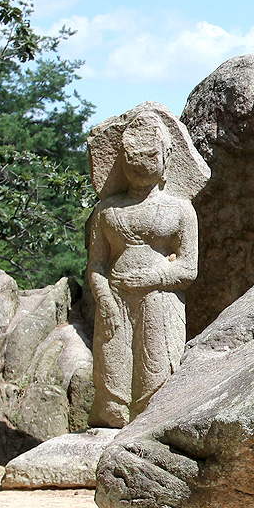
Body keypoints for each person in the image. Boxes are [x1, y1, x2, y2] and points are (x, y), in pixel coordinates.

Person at [88, 110, 199, 427]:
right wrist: (105, 300)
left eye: (150, 156)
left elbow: (188, 269)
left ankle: (147, 428)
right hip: (115, 302)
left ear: (166, 156)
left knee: (156, 381)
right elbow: (96, 266)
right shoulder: (106, 211)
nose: (139, 165)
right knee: (113, 381)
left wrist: (153, 277)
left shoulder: (180, 209)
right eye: (131, 158)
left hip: (158, 303)